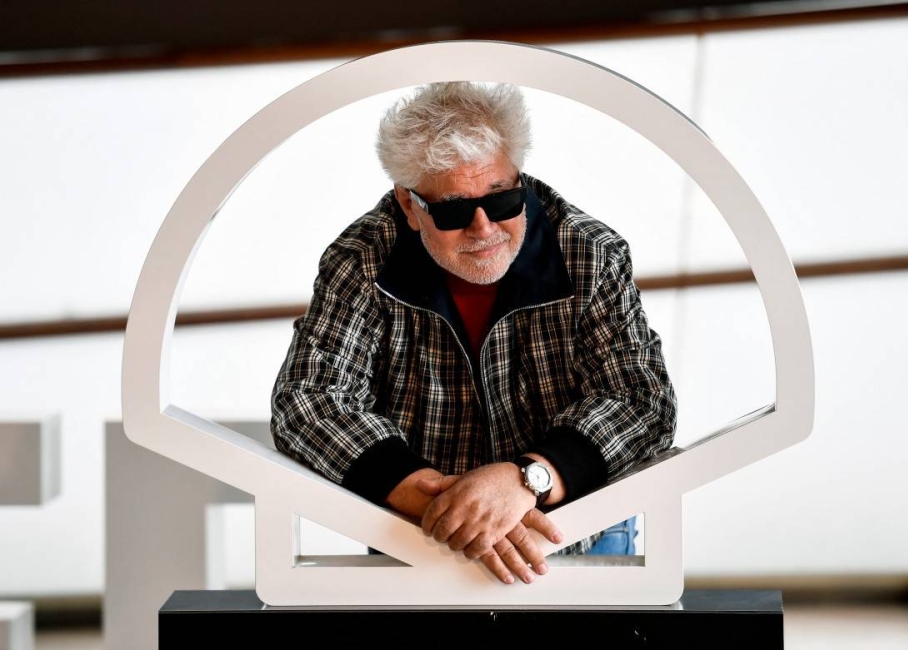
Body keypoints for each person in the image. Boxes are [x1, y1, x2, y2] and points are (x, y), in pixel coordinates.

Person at [270, 81, 676, 585]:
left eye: (503, 199)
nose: (484, 228)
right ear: (409, 204)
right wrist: (449, 506)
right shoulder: (361, 261)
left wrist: (525, 480)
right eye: (455, 209)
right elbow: (308, 401)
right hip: (417, 540)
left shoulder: (591, 253)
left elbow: (641, 401)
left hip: (574, 530)